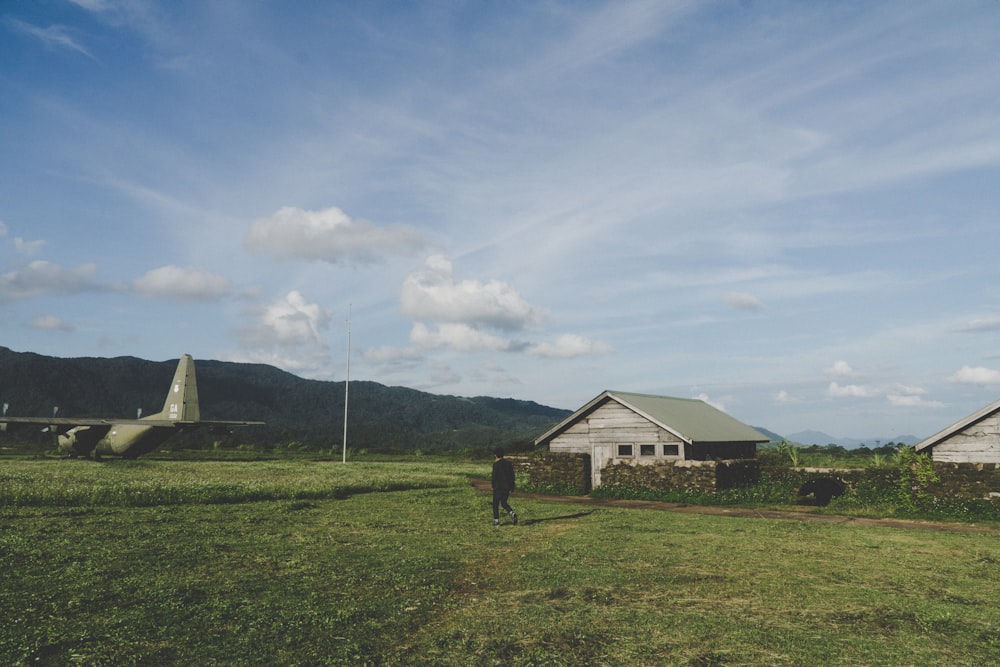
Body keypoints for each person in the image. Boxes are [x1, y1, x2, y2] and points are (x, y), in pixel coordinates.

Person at [491, 447, 518, 527]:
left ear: (496, 455)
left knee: (495, 504)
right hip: (506, 487)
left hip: (498, 487)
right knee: (503, 502)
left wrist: (493, 485)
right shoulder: (508, 464)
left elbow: (494, 476)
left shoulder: (496, 464)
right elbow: (512, 476)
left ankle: (496, 521)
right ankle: (511, 513)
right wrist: (512, 486)